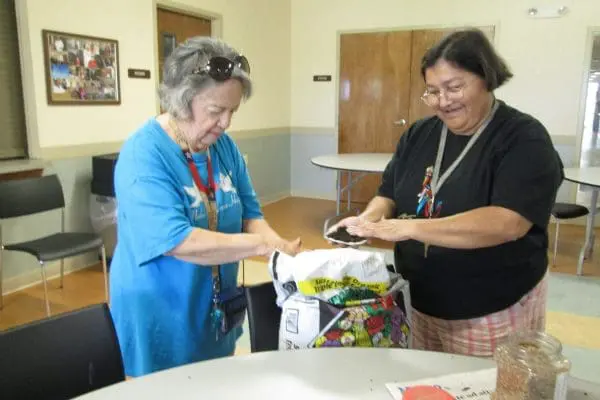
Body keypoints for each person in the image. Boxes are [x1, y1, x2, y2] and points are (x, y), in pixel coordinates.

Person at [331, 28, 563, 357]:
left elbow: (508, 222)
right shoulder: (418, 134)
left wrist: (407, 228)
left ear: (486, 78)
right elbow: (389, 193)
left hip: (489, 308)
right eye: (432, 91)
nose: (443, 101)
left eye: (454, 87)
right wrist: (367, 221)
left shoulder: (523, 138)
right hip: (420, 299)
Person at [109, 36, 301, 377]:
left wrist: (279, 249)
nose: (226, 123)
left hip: (213, 309)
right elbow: (178, 242)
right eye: (216, 111)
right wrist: (260, 245)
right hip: (160, 312)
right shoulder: (144, 154)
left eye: (233, 111)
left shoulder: (222, 147)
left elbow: (251, 215)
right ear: (183, 101)